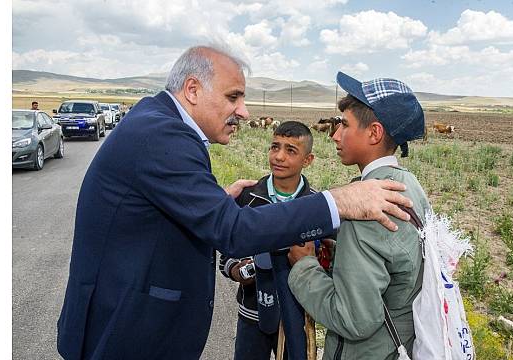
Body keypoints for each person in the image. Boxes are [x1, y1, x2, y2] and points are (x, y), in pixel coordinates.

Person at [56, 46, 413, 360]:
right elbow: (234, 232)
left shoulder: (156, 122)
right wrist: (335, 202)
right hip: (125, 333)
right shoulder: (162, 136)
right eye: (233, 97)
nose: (243, 112)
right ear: (193, 90)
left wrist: (212, 202)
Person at [287, 72, 430, 359]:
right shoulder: (408, 184)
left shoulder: (367, 203)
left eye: (345, 125)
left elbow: (355, 319)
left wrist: (304, 266)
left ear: (374, 133)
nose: (335, 135)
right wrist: (344, 253)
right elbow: (395, 262)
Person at [219, 120, 315, 360]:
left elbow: (329, 260)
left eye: (290, 150)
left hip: (297, 318)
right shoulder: (247, 198)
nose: (279, 156)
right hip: (252, 314)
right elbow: (226, 252)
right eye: (274, 147)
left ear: (308, 160)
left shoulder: (316, 207)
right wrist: (236, 270)